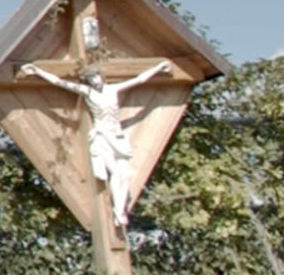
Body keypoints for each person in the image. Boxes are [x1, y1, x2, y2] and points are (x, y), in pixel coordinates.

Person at [19, 59, 172, 230]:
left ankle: (120, 209)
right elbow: (60, 82)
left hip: (117, 135)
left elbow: (139, 79)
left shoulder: (113, 89)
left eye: (97, 78)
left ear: (102, 77)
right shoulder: (88, 93)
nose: (95, 82)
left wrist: (158, 68)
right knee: (114, 171)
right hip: (102, 136)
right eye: (91, 80)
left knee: (125, 175)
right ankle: (118, 212)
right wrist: (38, 71)